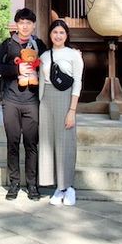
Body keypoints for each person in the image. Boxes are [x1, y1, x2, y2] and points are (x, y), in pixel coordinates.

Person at [0, 8, 47, 200]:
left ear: (33, 25)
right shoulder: (8, 45)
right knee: (13, 142)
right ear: (17, 24)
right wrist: (17, 69)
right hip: (11, 100)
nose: (25, 26)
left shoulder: (39, 44)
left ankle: (32, 184)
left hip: (32, 100)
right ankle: (14, 182)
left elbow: (50, 63)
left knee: (32, 143)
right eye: (21, 22)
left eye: (28, 23)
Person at [38, 19, 85, 206]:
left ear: (66, 35)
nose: (58, 35)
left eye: (62, 33)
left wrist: (72, 110)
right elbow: (41, 79)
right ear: (50, 35)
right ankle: (58, 187)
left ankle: (69, 186)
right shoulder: (44, 56)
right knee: (49, 142)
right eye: (55, 32)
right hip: (46, 100)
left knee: (66, 141)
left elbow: (78, 82)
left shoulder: (74, 55)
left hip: (66, 98)